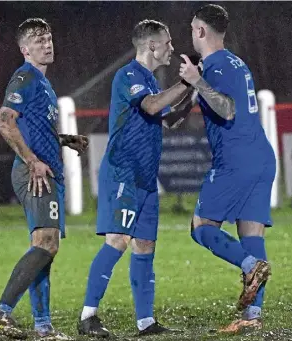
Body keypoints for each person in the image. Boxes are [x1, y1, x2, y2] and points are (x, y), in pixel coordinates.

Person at [77, 19, 195, 338]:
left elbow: (167, 119)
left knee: (145, 246)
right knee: (117, 241)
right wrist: (185, 84)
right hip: (122, 173)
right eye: (168, 42)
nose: (172, 47)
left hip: (145, 179)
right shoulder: (128, 75)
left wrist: (193, 94)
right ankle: (88, 316)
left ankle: (146, 322)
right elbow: (153, 105)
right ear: (152, 46)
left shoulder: (152, 82)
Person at [0, 18, 88, 340]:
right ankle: (2, 314)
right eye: (39, 39)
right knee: (46, 243)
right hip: (35, 174)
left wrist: (63, 139)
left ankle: (43, 327)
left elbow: (32, 130)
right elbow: (4, 121)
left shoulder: (43, 84)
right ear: (24, 49)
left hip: (46, 170)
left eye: (49, 38)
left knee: (45, 248)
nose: (47, 43)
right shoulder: (24, 76)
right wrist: (32, 161)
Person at [178, 4, 275, 334]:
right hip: (261, 157)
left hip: (236, 160)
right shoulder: (235, 61)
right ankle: (252, 316)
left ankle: (250, 267)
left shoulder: (216, 65)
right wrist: (193, 88)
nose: (191, 34)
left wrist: (197, 81)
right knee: (251, 234)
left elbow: (228, 109)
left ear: (201, 31)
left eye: (193, 29)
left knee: (200, 226)